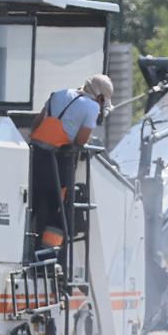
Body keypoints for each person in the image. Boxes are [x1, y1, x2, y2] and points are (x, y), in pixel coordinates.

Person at [28, 74, 113, 249]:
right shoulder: (91, 107)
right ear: (101, 97)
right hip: (57, 163)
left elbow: (36, 124)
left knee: (31, 206)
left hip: (35, 157)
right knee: (59, 211)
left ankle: (20, 250)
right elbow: (81, 141)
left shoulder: (58, 94)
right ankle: (47, 256)